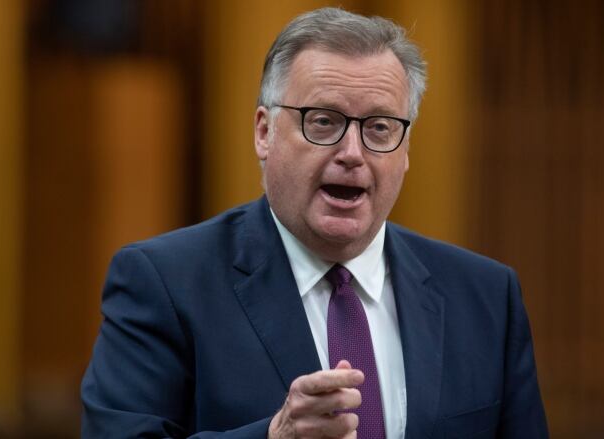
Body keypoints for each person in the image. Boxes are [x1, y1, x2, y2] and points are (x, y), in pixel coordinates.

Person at [81, 7, 548, 439]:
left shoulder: (486, 297)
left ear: (406, 151)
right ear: (264, 133)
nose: (352, 153)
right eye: (323, 122)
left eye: (380, 127)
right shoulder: (164, 282)